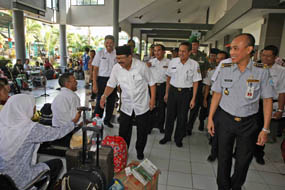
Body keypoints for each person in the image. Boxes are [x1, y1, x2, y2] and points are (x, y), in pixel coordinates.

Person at [207, 33, 273, 190]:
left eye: (236, 48)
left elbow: (267, 100)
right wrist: (210, 118)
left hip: (249, 122)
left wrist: (265, 128)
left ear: (249, 49)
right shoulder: (225, 67)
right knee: (223, 157)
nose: (232, 53)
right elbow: (217, 94)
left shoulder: (261, 71)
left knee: (243, 160)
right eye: (231, 49)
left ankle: (236, 185)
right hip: (225, 119)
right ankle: (223, 186)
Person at [0, 94, 75, 190]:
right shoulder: (29, 129)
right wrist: (72, 123)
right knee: (57, 164)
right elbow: (57, 133)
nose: (35, 108)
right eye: (33, 106)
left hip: (3, 180)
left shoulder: (2, 123)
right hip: (19, 180)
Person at [100, 45, 156, 160]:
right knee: (124, 130)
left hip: (142, 103)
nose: (119, 61)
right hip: (126, 104)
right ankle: (123, 150)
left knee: (142, 130)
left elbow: (152, 83)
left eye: (122, 58)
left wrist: (152, 100)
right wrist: (104, 96)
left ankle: (140, 151)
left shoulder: (141, 66)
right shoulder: (116, 68)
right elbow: (111, 84)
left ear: (130, 57)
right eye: (117, 58)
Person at [159, 41, 202, 147]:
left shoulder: (194, 64)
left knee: (182, 117)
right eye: (180, 51)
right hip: (173, 92)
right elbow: (168, 77)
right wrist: (166, 93)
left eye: (184, 51)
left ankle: (178, 138)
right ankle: (167, 136)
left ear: (189, 52)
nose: (181, 53)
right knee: (170, 116)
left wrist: (193, 99)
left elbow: (196, 82)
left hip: (186, 93)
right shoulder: (173, 62)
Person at [204, 51, 229, 162]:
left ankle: (223, 153)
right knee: (215, 127)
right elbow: (211, 87)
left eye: (222, 58)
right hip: (216, 103)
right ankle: (213, 153)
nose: (220, 61)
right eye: (218, 59)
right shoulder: (215, 71)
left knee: (226, 132)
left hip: (228, 104)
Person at [261, 45, 285, 143]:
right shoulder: (257, 68)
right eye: (263, 55)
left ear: (275, 58)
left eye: (268, 56)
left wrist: (280, 110)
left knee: (268, 136)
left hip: (272, 104)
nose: (264, 58)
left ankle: (260, 155)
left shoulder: (281, 71)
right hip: (257, 104)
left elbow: (282, 91)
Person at [92, 35, 117, 128]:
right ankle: (98, 120)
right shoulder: (100, 53)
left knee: (111, 101)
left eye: (111, 43)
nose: (109, 44)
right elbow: (95, 69)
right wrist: (94, 83)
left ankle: (107, 120)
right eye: (107, 42)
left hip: (113, 79)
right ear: (104, 43)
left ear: (113, 43)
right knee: (100, 100)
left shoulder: (116, 54)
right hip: (101, 79)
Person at [187, 39, 210, 135]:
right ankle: (183, 126)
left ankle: (189, 128)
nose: (193, 47)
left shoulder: (203, 57)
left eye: (195, 45)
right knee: (185, 107)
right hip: (187, 83)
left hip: (198, 83)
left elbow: (205, 70)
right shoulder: (187, 55)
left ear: (198, 46)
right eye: (192, 45)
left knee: (194, 108)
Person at [147, 44, 169, 133]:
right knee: (151, 106)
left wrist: (167, 92)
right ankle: (149, 127)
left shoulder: (169, 62)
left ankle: (160, 126)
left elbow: (169, 78)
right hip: (152, 87)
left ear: (164, 52)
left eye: (159, 50)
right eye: (155, 51)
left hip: (163, 86)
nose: (157, 52)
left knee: (162, 107)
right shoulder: (151, 62)